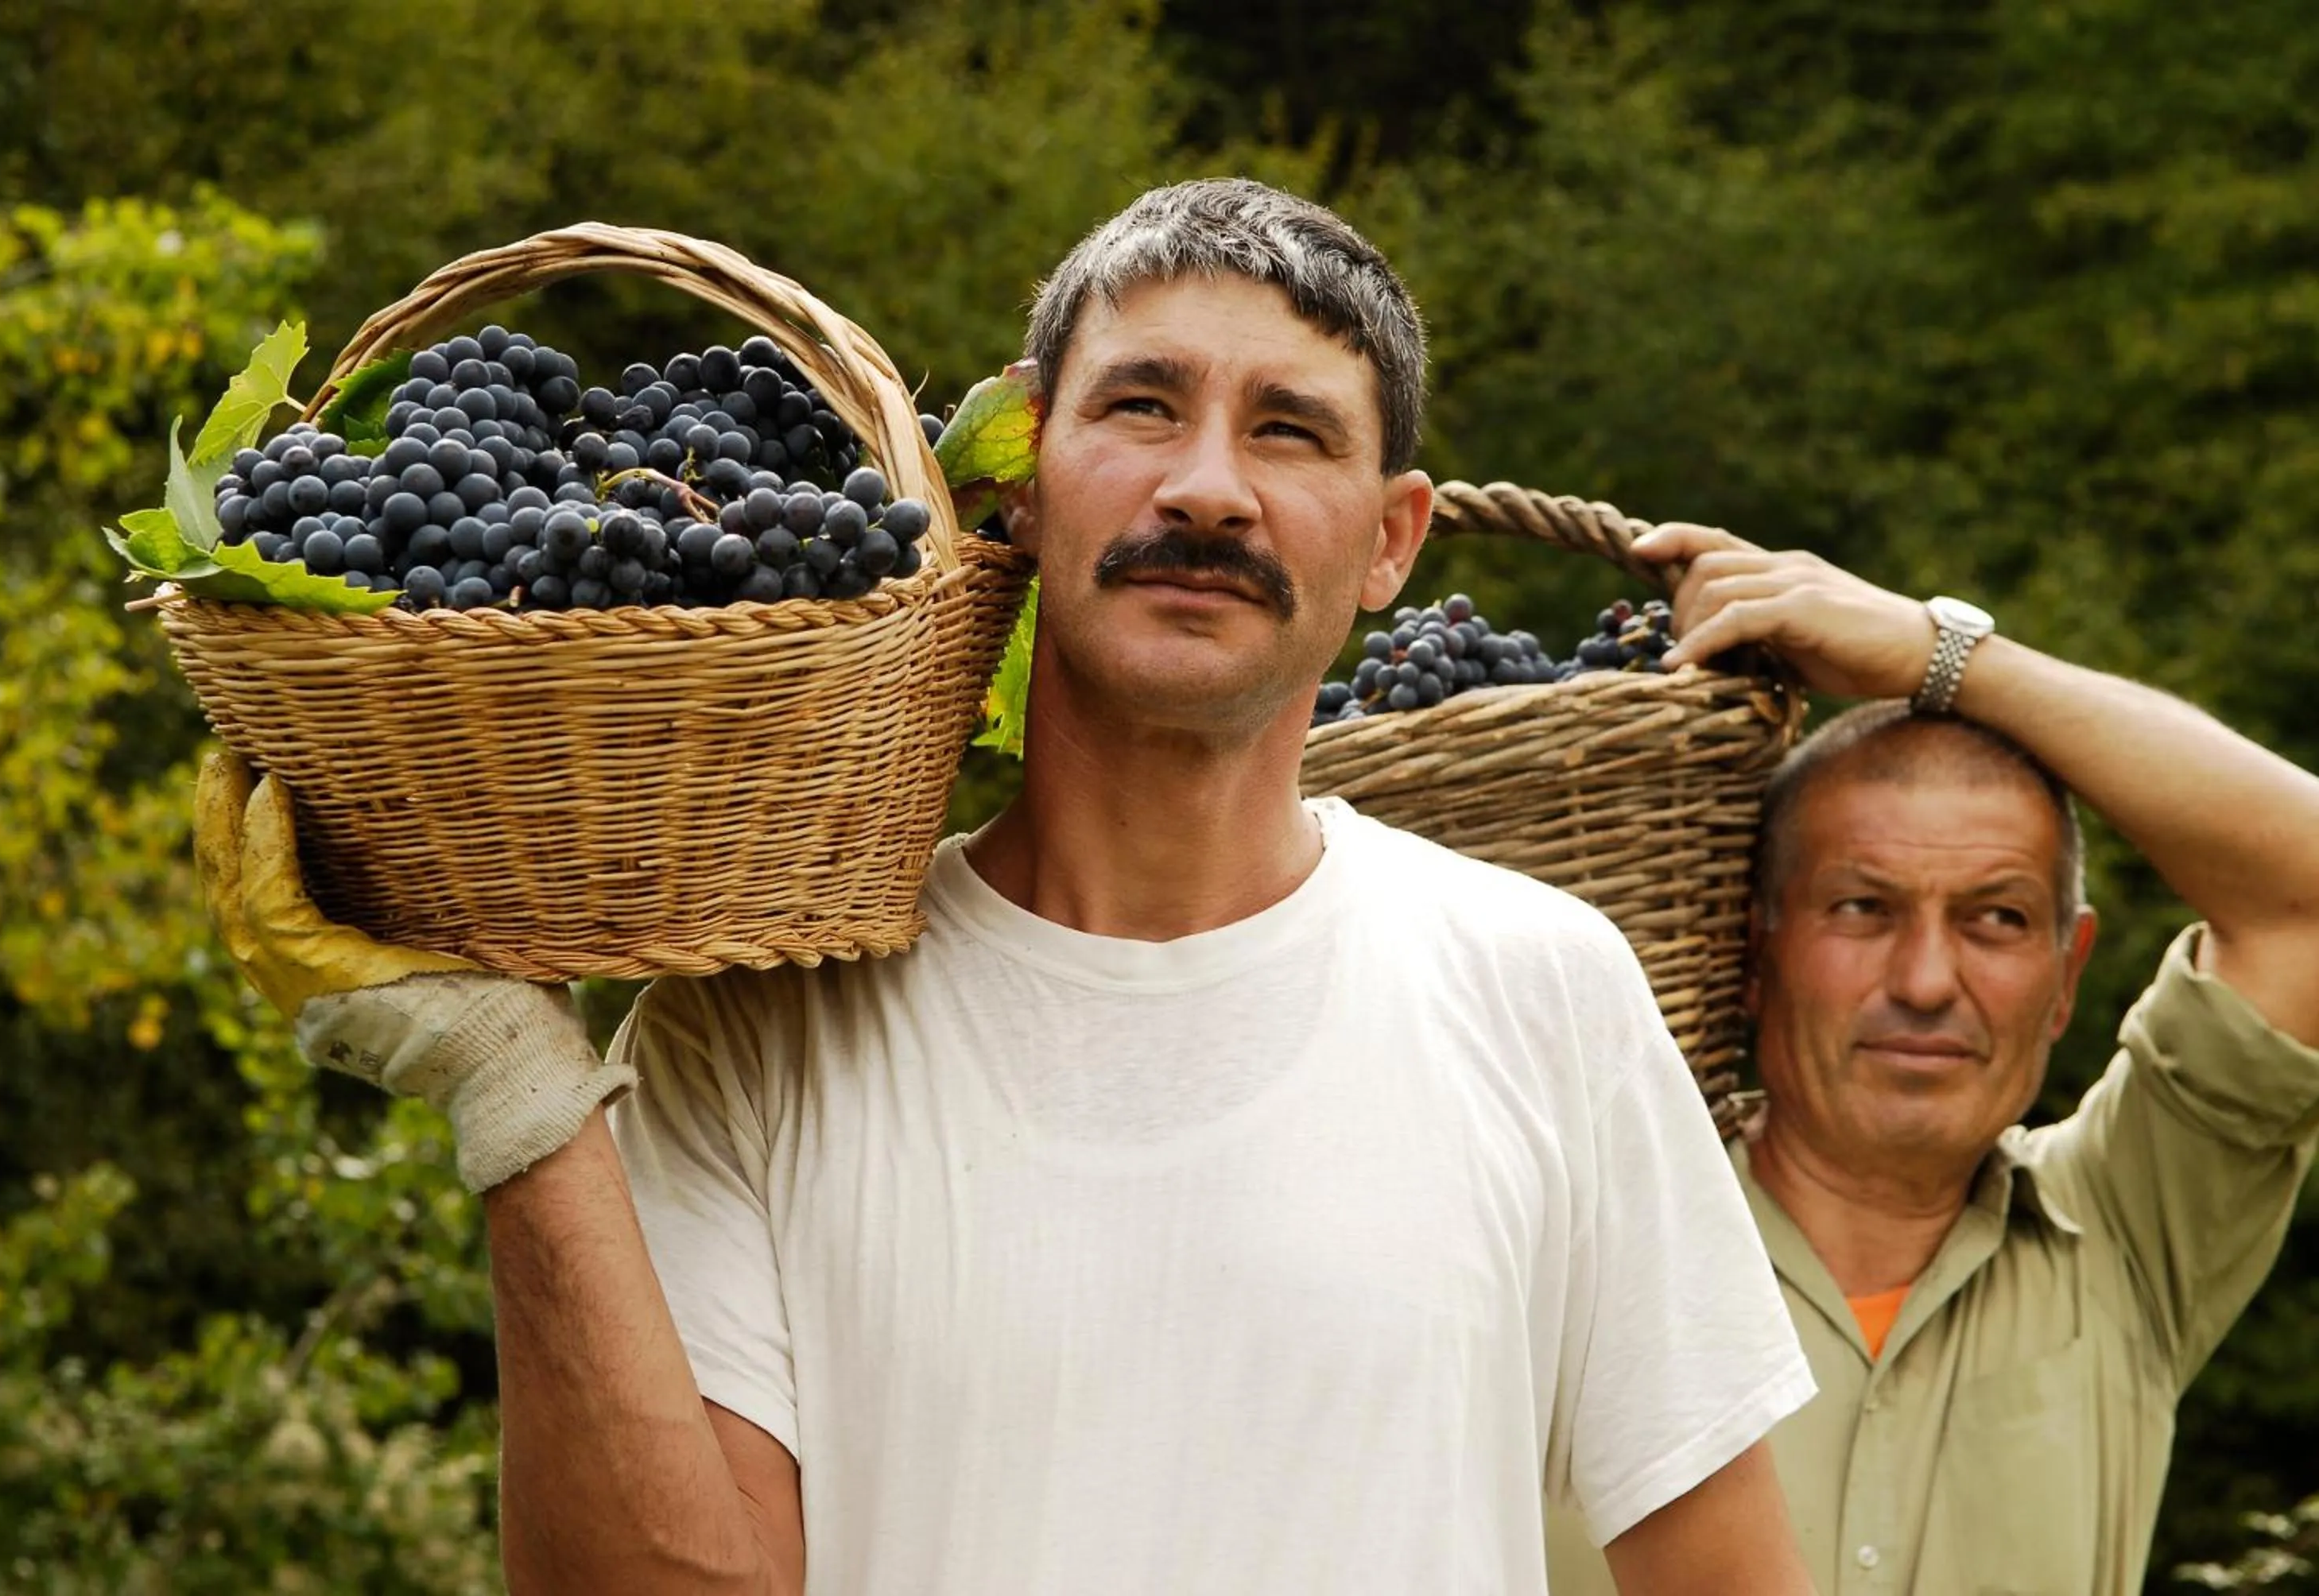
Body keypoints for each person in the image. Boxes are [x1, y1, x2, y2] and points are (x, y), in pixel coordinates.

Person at [194, 178, 1822, 1595]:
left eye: (1289, 429)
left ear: (1393, 539)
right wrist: (519, 1094)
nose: (1207, 486)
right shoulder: (752, 1029)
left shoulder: (1545, 987)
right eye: (1141, 407)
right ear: (1022, 477)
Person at [1542, 525, 2319, 1594]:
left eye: (1995, 920)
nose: (1924, 981)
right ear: (1754, 948)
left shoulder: (2131, 1238)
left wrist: (1937, 654)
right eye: (1863, 909)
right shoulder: (1583, 1248)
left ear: (2065, 976)